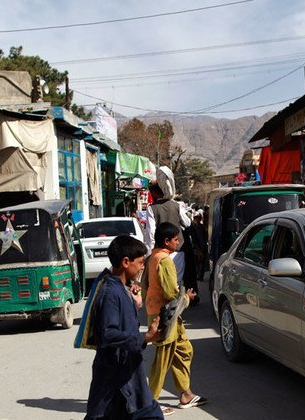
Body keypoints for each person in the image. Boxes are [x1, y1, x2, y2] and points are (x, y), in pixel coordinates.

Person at [84, 235, 163, 420]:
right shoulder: (110, 293)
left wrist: (135, 304)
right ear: (126, 262)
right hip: (115, 374)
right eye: (141, 262)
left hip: (126, 372)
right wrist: (145, 337)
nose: (143, 267)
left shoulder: (121, 288)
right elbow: (108, 334)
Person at [145, 222, 206, 413]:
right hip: (165, 315)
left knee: (184, 350)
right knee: (162, 360)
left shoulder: (152, 257)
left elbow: (145, 284)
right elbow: (171, 292)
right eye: (176, 239)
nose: (178, 242)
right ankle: (150, 403)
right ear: (167, 241)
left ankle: (186, 394)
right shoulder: (164, 260)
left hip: (167, 314)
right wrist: (187, 297)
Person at [143, 166, 191, 281]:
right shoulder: (176, 205)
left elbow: (150, 234)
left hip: (160, 253)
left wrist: (149, 255)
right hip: (178, 252)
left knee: (162, 282)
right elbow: (187, 223)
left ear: (154, 193)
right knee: (177, 282)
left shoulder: (152, 209)